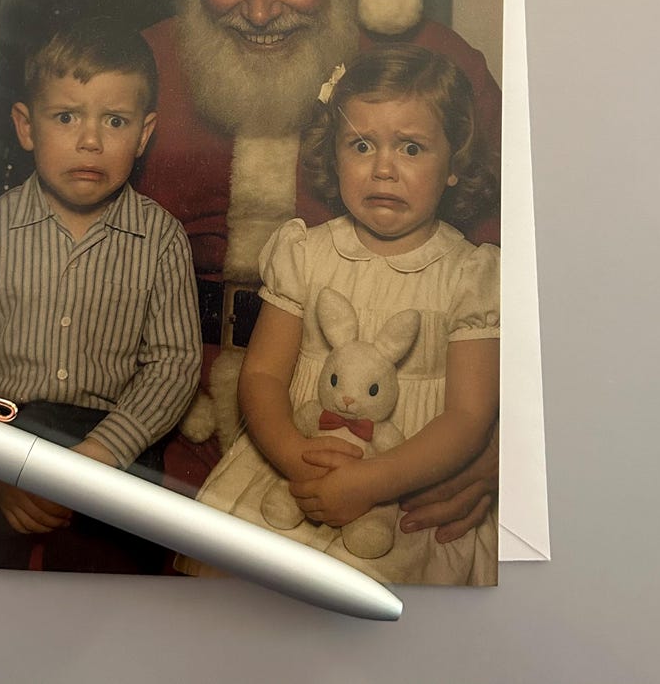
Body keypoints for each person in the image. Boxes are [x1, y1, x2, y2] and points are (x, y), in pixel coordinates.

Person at [136, 0, 500, 538]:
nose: (261, 9)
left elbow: (542, 285)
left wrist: (501, 443)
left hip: (391, 437)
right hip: (163, 419)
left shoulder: (434, 72)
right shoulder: (140, 69)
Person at [180, 45, 500, 585]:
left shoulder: (470, 277)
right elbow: (261, 375)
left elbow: (467, 417)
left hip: (405, 485)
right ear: (334, 154)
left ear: (454, 166)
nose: (383, 169)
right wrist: (293, 456)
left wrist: (371, 483)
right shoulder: (304, 254)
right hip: (292, 470)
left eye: (412, 148)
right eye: (361, 144)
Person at [0, 17, 202, 572]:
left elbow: (173, 365)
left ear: (143, 135)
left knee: (113, 583)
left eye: (114, 121)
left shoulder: (161, 237)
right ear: (26, 126)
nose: (90, 140)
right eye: (66, 116)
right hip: (1, 434)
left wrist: (102, 455)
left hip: (118, 440)